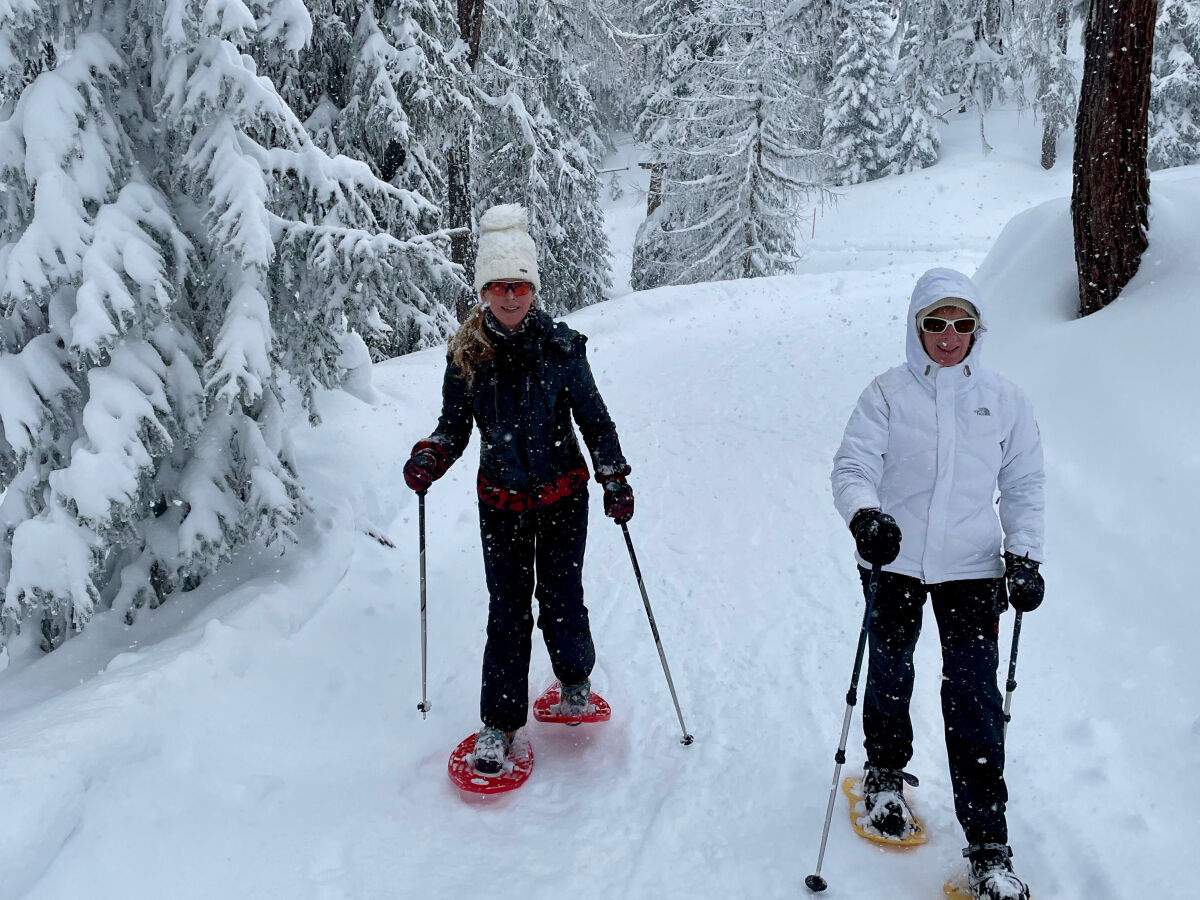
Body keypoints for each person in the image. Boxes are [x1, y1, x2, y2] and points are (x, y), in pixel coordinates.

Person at [830, 268, 1045, 900]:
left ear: (978, 329)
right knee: (891, 668)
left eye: (961, 323)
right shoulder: (886, 394)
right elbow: (853, 465)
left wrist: (1025, 556)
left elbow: (1026, 484)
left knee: (975, 699)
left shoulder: (1005, 400)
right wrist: (866, 516)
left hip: (975, 568)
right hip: (894, 560)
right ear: (915, 326)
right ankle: (885, 776)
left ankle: (988, 849)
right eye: (935, 322)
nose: (948, 336)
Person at [403, 204, 633, 775]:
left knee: (560, 599)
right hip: (501, 505)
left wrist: (614, 477)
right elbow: (454, 427)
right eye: (499, 287)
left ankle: (575, 678)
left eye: (520, 286)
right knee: (506, 613)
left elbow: (594, 419)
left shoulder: (562, 349)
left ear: (533, 288)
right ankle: (499, 726)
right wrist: (432, 454)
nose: (510, 298)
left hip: (563, 498)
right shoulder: (467, 357)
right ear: (484, 290)